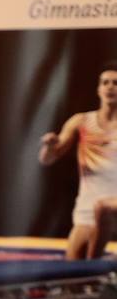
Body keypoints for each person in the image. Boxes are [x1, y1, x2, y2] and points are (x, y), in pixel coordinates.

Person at [38, 62, 117, 259]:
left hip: (112, 207)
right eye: (105, 82)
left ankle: (94, 264)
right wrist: (50, 145)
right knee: (72, 271)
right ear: (98, 89)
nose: (110, 87)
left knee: (104, 208)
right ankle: (94, 264)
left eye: (115, 83)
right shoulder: (80, 122)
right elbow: (47, 160)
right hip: (86, 213)